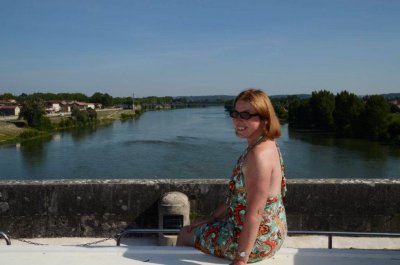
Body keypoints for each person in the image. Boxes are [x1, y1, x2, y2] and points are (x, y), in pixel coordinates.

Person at [176, 88, 287, 264]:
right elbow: (239, 198)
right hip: (272, 233)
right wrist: (211, 218)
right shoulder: (268, 144)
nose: (237, 120)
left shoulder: (258, 156)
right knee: (199, 227)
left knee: (184, 233)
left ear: (264, 117)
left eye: (246, 115)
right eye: (235, 113)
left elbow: (255, 213)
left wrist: (240, 259)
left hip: (255, 242)